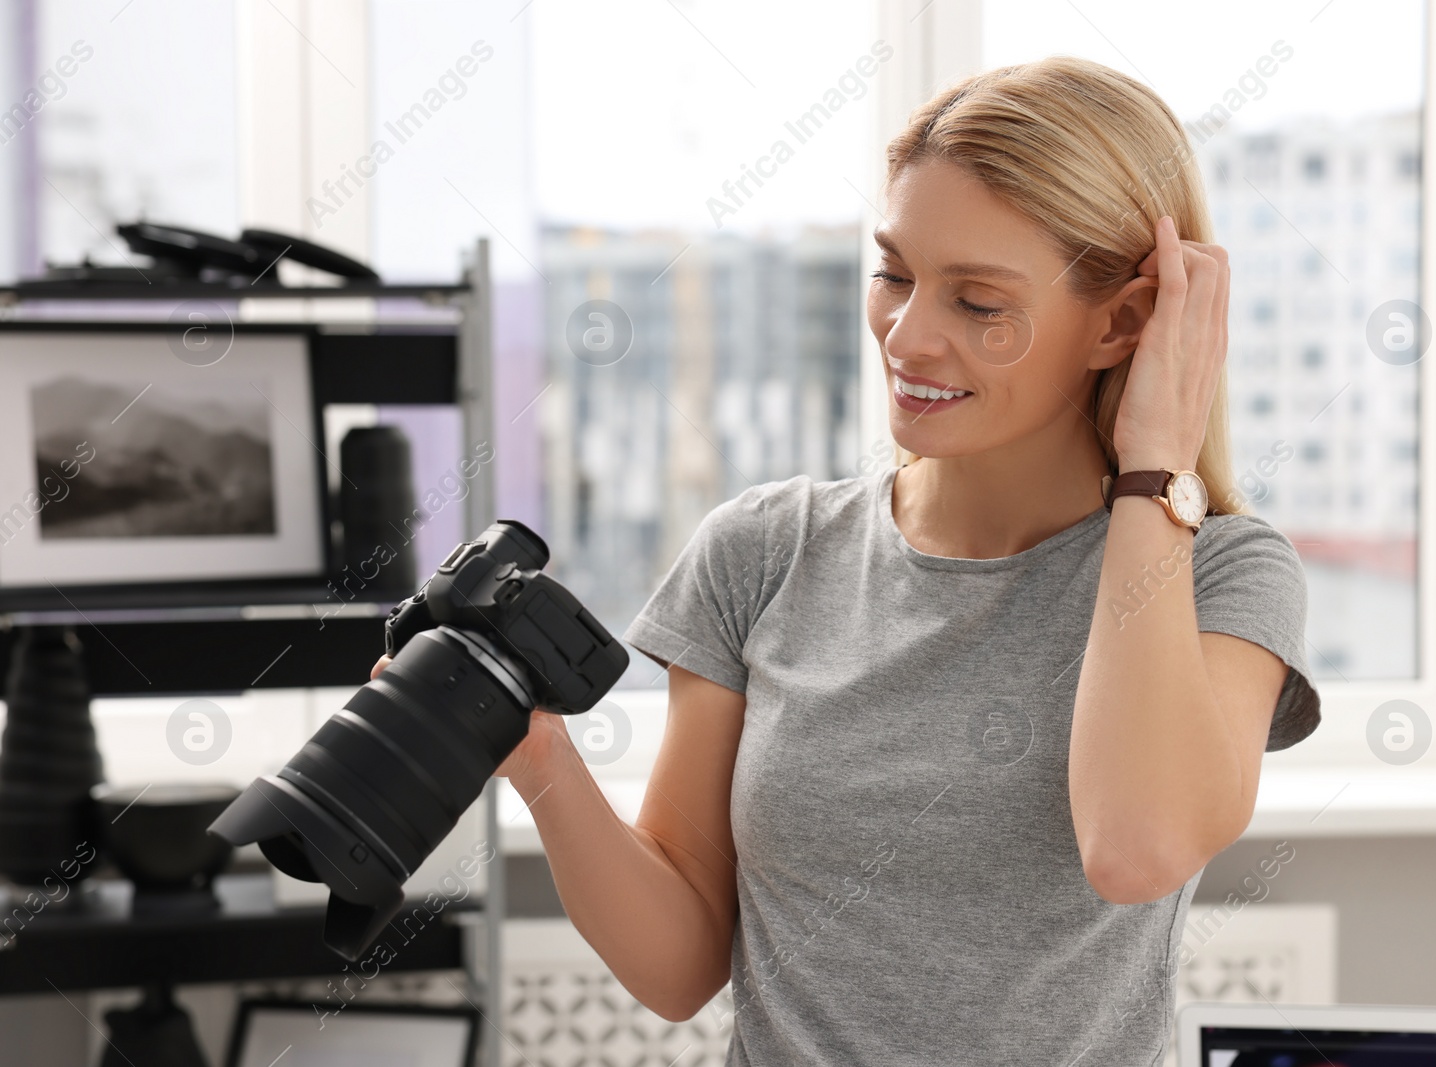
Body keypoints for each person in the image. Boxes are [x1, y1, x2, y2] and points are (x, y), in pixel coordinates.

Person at [378, 54, 1322, 1066]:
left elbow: (1136, 848)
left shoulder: (1220, 573)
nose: (907, 337)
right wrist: (539, 758)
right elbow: (679, 963)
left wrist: (1154, 475)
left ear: (1123, 322)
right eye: (895, 273)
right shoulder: (762, 552)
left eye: (979, 303)